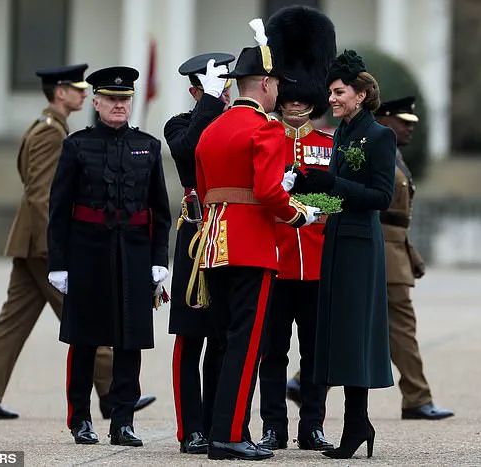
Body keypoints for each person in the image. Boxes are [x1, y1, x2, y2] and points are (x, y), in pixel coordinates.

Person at [0, 64, 157, 421]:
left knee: (14, 320)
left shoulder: (51, 128)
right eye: (77, 89)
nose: (84, 95)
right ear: (59, 93)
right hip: (44, 245)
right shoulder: (51, 134)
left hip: (31, 241)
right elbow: (43, 195)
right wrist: (59, 250)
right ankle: (114, 393)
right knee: (89, 318)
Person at [192, 20, 319, 461]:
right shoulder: (267, 129)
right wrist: (298, 213)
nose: (279, 92)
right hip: (252, 245)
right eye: (277, 84)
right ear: (264, 84)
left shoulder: (212, 129)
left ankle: (217, 430)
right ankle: (229, 435)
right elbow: (268, 192)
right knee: (247, 344)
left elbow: (206, 187)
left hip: (216, 241)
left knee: (224, 341)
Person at [47, 66, 171, 446]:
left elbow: (160, 211)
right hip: (87, 253)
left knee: (129, 342)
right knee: (85, 341)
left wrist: (158, 259)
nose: (120, 105)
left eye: (125, 99)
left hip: (133, 254)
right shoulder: (76, 146)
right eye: (112, 99)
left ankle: (123, 422)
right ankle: (80, 419)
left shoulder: (148, 147)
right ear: (96, 102)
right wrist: (59, 264)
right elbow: (58, 209)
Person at [304, 50, 396, 459]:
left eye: (339, 92)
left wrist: (333, 184)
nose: (333, 99)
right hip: (338, 239)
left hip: (361, 245)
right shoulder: (341, 133)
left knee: (355, 333)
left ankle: (357, 421)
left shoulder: (379, 135)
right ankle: (356, 421)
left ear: (360, 94)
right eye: (331, 92)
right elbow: (337, 192)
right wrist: (304, 187)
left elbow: (381, 197)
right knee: (340, 332)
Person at [256, 5, 335, 453]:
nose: (296, 101)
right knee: (272, 353)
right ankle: (273, 427)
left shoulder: (328, 144)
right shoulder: (265, 138)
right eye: (290, 94)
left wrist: (312, 203)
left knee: (315, 355)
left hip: (318, 263)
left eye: (303, 95)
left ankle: (313, 427)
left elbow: (336, 201)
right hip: (276, 260)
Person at [164, 52, 234, 455]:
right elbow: (191, 154)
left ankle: (216, 424)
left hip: (230, 234)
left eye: (225, 87)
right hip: (196, 233)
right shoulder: (179, 124)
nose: (222, 94)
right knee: (192, 337)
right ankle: (190, 427)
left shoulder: (237, 123)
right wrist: (208, 105)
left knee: (224, 337)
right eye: (212, 88)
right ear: (196, 91)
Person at [373, 96, 455, 420]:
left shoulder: (395, 156)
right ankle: (417, 398)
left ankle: (417, 397)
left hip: (394, 248)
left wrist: (410, 251)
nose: (409, 128)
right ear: (384, 120)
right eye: (403, 121)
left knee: (365, 326)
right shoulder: (378, 153)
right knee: (397, 326)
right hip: (381, 249)